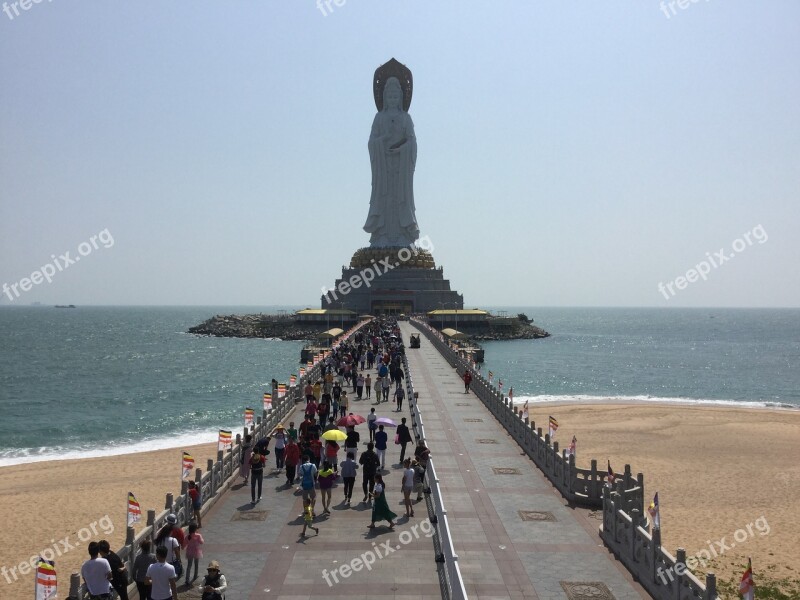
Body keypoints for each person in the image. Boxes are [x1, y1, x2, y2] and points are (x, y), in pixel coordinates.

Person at [363, 75, 419, 246]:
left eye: (396, 96)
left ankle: (404, 235)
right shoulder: (379, 118)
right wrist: (383, 140)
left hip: (401, 170)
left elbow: (412, 142)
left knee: (402, 198)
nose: (393, 99)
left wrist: (402, 149)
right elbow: (371, 142)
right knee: (384, 198)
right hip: (384, 169)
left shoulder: (406, 118)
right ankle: (381, 236)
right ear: (385, 98)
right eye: (390, 96)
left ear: (401, 98)